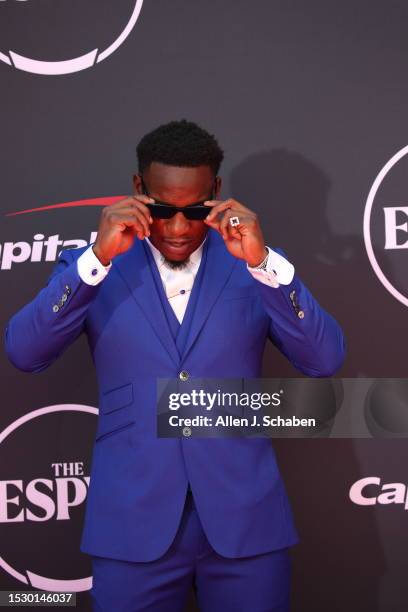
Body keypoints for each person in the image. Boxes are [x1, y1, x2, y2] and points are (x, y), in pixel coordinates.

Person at [5, 120, 345, 612]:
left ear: (218, 194)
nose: (180, 228)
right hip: (131, 524)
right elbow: (24, 352)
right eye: (164, 210)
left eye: (196, 210)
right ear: (138, 190)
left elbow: (325, 359)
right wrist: (97, 259)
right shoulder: (92, 266)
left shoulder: (256, 266)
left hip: (246, 522)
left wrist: (264, 265)